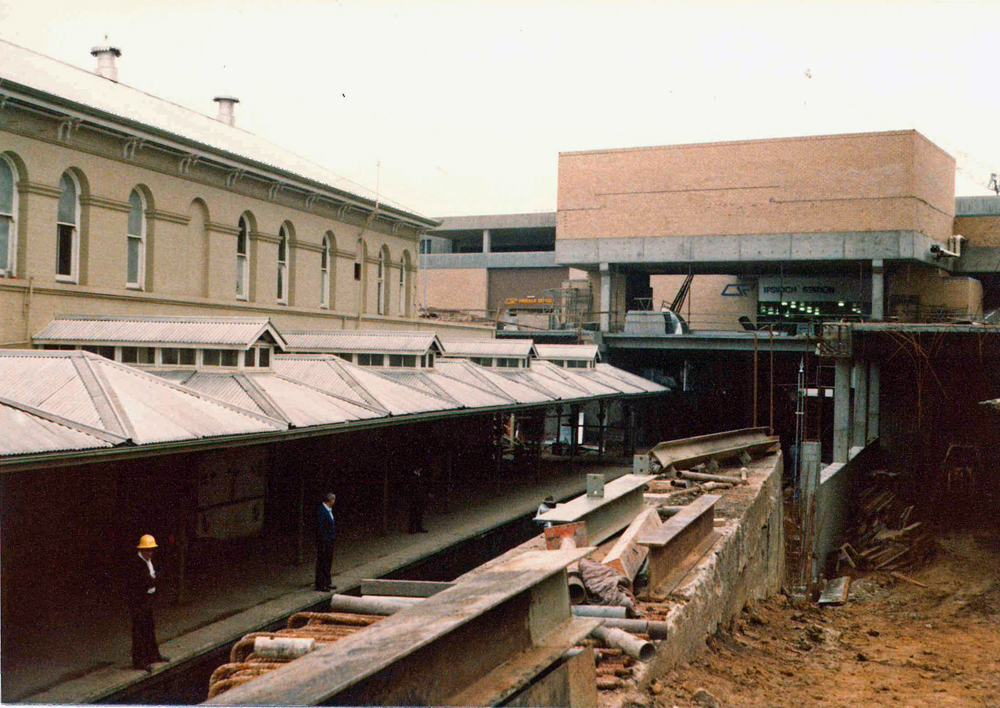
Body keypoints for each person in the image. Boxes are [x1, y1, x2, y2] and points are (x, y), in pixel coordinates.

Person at [127, 534, 168, 672]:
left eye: (151, 550)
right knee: (139, 630)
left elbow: (158, 576)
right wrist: (152, 579)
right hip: (139, 601)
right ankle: (139, 661)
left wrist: (153, 579)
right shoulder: (135, 564)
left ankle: (153, 655)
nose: (150, 553)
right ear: (142, 550)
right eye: (148, 550)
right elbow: (141, 582)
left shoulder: (149, 561)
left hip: (147, 599)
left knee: (150, 627)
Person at [315, 492, 337, 592]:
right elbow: (321, 528)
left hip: (329, 540)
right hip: (324, 541)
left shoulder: (328, 510)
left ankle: (327, 582)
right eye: (334, 500)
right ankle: (320, 584)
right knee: (322, 562)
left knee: (328, 561)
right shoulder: (322, 511)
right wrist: (324, 540)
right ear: (330, 500)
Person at [407, 467, 430, 534]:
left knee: (420, 512)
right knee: (413, 513)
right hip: (414, 497)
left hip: (421, 496)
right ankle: (411, 529)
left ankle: (419, 527)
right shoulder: (412, 476)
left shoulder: (421, 475)